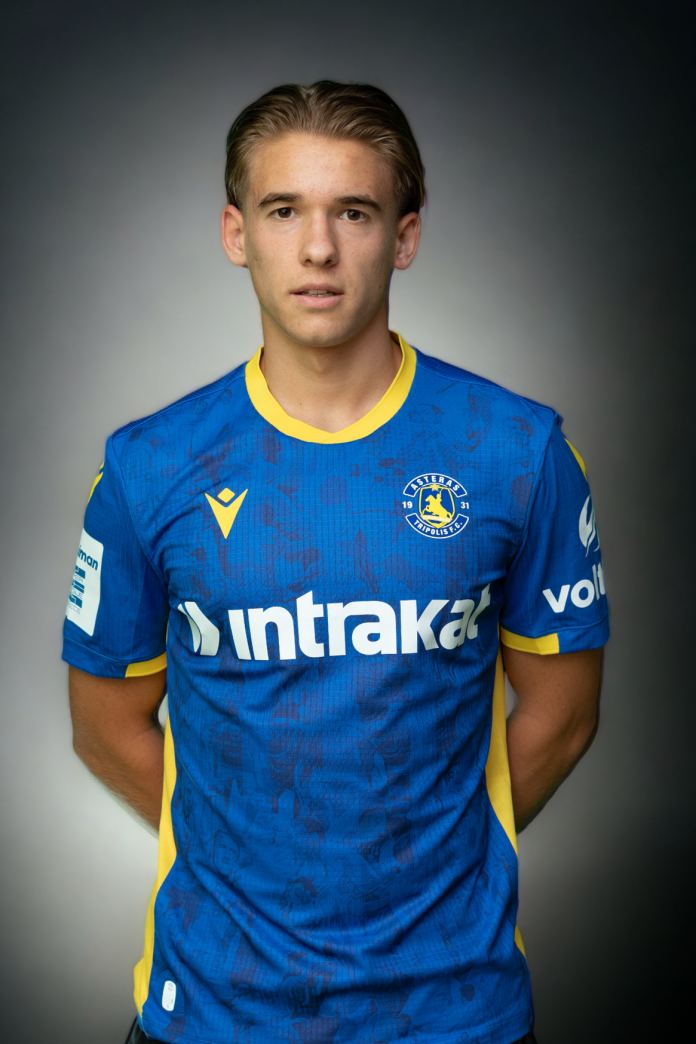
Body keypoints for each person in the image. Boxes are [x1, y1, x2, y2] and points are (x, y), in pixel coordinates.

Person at [64, 82, 608, 1044]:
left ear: (404, 236)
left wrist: (425, 859)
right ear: (237, 233)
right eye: (284, 211)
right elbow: (105, 726)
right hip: (216, 1008)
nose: (318, 248)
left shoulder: (517, 452)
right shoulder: (150, 466)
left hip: (454, 1009)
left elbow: (563, 717)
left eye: (354, 212)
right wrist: (256, 860)